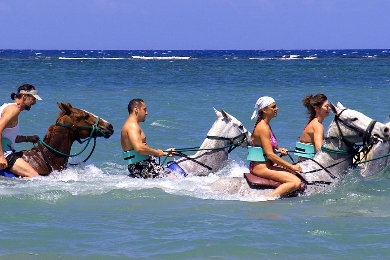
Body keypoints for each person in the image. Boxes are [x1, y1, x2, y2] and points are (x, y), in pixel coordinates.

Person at [248, 96, 302, 198]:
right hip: (261, 168)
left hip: (266, 165)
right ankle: (267, 198)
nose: (277, 108)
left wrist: (277, 149)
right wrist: (291, 166)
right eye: (273, 107)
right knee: (295, 182)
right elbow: (270, 155)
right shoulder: (263, 127)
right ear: (264, 110)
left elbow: (265, 148)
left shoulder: (266, 124)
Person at [121, 98, 175, 178]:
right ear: (136, 109)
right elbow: (139, 148)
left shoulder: (133, 125)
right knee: (174, 178)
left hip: (141, 164)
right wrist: (158, 152)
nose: (146, 113)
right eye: (144, 109)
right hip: (141, 166)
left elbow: (140, 151)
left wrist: (164, 153)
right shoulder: (132, 126)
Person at [0, 84, 42, 178]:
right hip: (4, 153)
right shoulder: (14, 109)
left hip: (5, 148)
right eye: (33, 99)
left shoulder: (9, 107)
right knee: (35, 177)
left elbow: (6, 136)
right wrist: (1, 157)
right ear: (24, 96)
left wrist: (27, 138)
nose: (34, 103)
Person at [295, 94, 330, 161]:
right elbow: (319, 149)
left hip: (302, 161)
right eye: (326, 106)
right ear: (316, 109)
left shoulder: (312, 122)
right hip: (309, 164)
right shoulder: (317, 126)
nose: (329, 108)